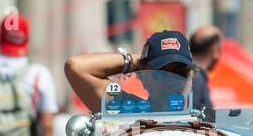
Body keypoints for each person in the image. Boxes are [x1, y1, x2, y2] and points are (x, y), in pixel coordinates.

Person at [65, 29, 198, 114]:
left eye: (180, 74)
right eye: (160, 74)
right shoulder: (128, 109)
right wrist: (135, 62)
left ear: (190, 76)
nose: (172, 82)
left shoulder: (204, 116)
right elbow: (76, 66)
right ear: (144, 77)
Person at [187, 24, 222, 121]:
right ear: (214, 49)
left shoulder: (190, 72)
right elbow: (192, 117)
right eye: (219, 49)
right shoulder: (195, 77)